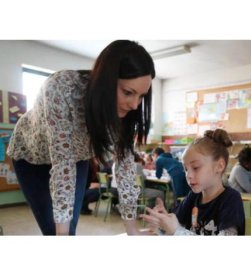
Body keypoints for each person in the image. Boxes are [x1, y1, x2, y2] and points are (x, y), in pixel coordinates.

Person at [7, 40, 155, 235]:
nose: (135, 105)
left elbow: (126, 167)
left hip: (76, 158)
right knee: (56, 231)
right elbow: (62, 165)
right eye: (128, 92)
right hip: (31, 157)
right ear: (106, 82)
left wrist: (132, 230)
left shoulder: (126, 113)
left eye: (141, 96)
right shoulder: (62, 89)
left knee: (69, 230)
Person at [142, 129, 245, 235]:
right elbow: (175, 227)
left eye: (195, 167)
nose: (188, 175)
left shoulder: (231, 199)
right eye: (186, 169)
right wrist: (163, 222)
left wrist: (176, 230)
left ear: (219, 166)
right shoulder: (193, 197)